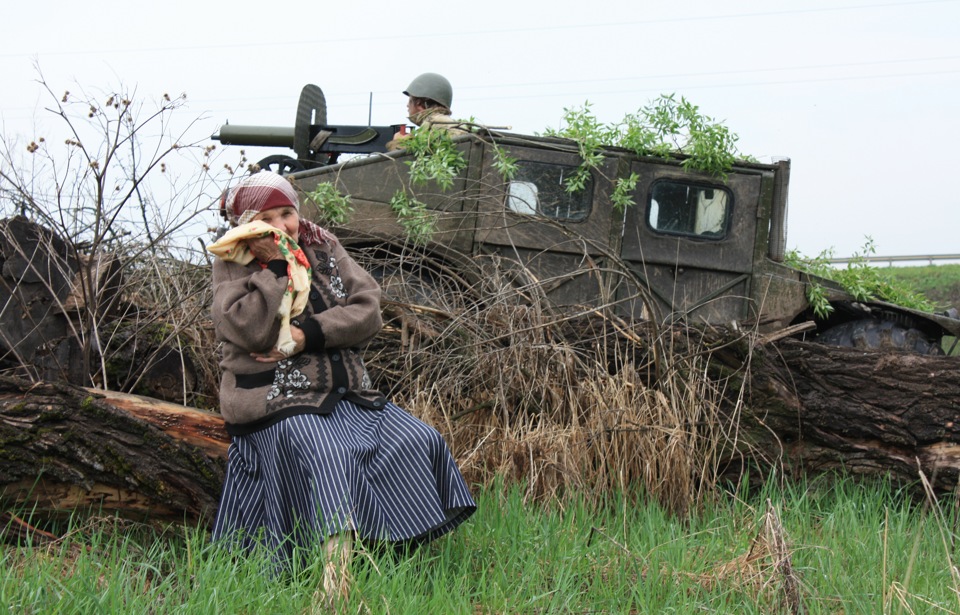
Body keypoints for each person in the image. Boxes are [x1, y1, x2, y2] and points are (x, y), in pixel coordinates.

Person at [208, 171, 476, 599]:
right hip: (275, 397)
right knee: (329, 454)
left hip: (344, 392)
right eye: (269, 218)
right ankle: (334, 585)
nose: (283, 226)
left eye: (288, 213)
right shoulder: (232, 261)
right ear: (248, 224)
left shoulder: (324, 246)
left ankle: (390, 555)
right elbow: (250, 330)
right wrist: (277, 265)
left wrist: (305, 335)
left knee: (418, 439)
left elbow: (368, 309)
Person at [386, 72, 468, 151]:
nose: (407, 105)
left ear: (419, 103)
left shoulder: (432, 125)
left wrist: (400, 144)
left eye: (410, 100)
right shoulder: (452, 125)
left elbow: (407, 163)